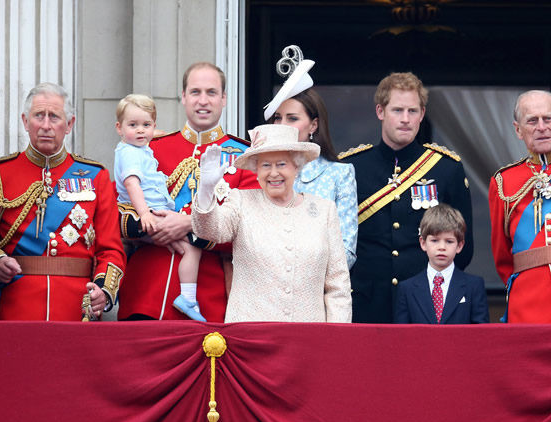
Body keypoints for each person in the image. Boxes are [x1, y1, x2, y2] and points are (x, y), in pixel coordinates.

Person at [117, 62, 259, 321]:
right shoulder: (150, 148)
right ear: (183, 97)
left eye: (211, 92)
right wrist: (154, 231)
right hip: (145, 294)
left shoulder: (245, 157)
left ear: (224, 99)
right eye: (195, 92)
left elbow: (251, 230)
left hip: (209, 300)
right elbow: (118, 212)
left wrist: (190, 224)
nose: (203, 100)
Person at [341, 72, 473, 323]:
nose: (405, 119)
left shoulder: (446, 169)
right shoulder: (351, 168)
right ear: (380, 111)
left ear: (422, 115)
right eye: (397, 110)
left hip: (426, 303)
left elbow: (463, 248)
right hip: (366, 304)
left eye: (412, 111)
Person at [0, 82, 125, 321]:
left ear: (69, 124)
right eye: (38, 116)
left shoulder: (96, 176)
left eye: (54, 117)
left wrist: (103, 291)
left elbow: (111, 250)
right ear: (25, 121)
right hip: (15, 308)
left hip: (76, 309)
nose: (46, 125)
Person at [191, 124, 351, 322]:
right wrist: (206, 191)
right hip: (251, 333)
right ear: (256, 170)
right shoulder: (241, 201)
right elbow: (210, 230)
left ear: (297, 166)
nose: (273, 173)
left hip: (308, 334)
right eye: (266, 165)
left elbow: (338, 286)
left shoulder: (324, 210)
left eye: (282, 164)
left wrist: (337, 335)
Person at [113, 94, 205, 321]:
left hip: (154, 213)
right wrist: (144, 213)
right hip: (150, 215)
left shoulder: (139, 147)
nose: (140, 130)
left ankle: (188, 298)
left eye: (146, 125)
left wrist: (152, 131)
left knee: (180, 245)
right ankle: (188, 298)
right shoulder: (131, 152)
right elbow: (131, 184)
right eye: (133, 125)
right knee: (192, 247)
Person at [264, 46, 357, 268]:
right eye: (277, 118)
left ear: (313, 125)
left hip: (318, 286)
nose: (282, 125)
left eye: (292, 118)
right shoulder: (260, 171)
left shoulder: (339, 174)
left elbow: (346, 252)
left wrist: (298, 273)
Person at [489, 90, 551, 323]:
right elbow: (502, 257)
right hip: (527, 304)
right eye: (532, 121)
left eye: (548, 118)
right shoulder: (504, 182)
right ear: (518, 130)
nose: (542, 127)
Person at [395, 204, 488, 324]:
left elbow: (481, 331)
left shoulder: (474, 286)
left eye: (449, 241)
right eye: (435, 240)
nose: (442, 247)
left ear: (459, 245)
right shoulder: (407, 289)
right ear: (423, 243)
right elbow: (401, 332)